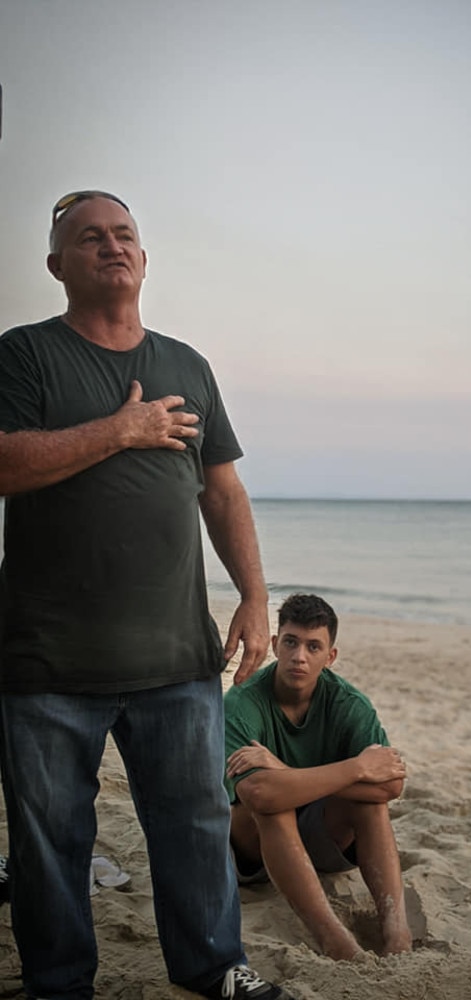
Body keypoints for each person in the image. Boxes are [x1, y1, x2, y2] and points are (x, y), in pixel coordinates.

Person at [0, 190, 296, 1000]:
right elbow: (4, 463)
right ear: (57, 264)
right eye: (88, 237)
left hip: (176, 655)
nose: (111, 246)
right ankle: (59, 983)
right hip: (47, 659)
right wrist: (118, 431)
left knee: (194, 824)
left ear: (143, 256)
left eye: (124, 233)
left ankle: (212, 966)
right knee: (50, 839)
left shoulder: (186, 364)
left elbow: (223, 491)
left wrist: (255, 596)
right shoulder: (22, 356)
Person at [224, 593, 412, 960]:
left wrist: (283, 770)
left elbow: (392, 784)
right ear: (276, 645)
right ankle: (334, 940)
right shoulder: (242, 702)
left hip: (318, 842)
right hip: (250, 853)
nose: (300, 657)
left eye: (314, 647)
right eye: (291, 643)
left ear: (331, 656)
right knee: (274, 804)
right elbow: (259, 792)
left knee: (371, 802)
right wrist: (357, 767)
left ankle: (397, 931)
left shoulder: (348, 704)